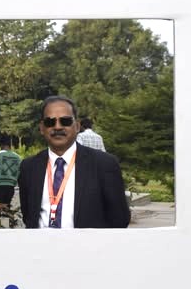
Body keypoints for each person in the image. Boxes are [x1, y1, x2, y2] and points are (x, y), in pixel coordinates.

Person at [18, 95, 130, 229]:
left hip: (88, 242)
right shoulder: (29, 167)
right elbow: (28, 215)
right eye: (50, 122)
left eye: (65, 121)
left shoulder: (104, 164)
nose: (57, 127)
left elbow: (119, 218)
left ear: (77, 126)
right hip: (41, 242)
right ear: (42, 128)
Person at [0, 137, 21, 207]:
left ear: (2, 145)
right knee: (6, 208)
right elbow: (19, 172)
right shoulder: (18, 157)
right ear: (10, 146)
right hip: (11, 187)